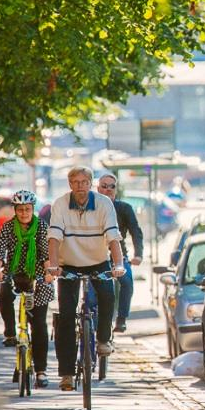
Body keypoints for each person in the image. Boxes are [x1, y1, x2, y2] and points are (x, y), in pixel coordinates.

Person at [46, 166, 126, 392]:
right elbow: (54, 237)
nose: (80, 186)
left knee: (108, 296)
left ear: (91, 184)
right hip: (68, 264)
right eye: (76, 182)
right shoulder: (61, 204)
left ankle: (102, 340)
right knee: (66, 317)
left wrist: (118, 265)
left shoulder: (103, 203)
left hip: (98, 261)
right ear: (70, 184)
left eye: (84, 182)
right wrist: (53, 266)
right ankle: (66, 374)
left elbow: (113, 237)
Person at [0, 190, 54, 388]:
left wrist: (48, 273)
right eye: (20, 209)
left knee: (39, 325)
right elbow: (0, 251)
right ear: (15, 210)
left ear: (32, 209)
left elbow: (46, 254)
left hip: (37, 276)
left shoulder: (42, 227)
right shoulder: (8, 227)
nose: (24, 213)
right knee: (4, 293)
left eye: (27, 209)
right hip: (14, 273)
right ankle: (10, 333)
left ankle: (41, 371)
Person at [96, 173, 144, 333]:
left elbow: (135, 231)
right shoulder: (91, 207)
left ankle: (121, 318)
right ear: (97, 188)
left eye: (112, 186)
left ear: (116, 189)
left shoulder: (124, 208)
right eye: (104, 186)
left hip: (118, 256)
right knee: (90, 295)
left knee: (127, 281)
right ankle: (90, 321)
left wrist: (138, 254)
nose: (108, 189)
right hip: (94, 257)